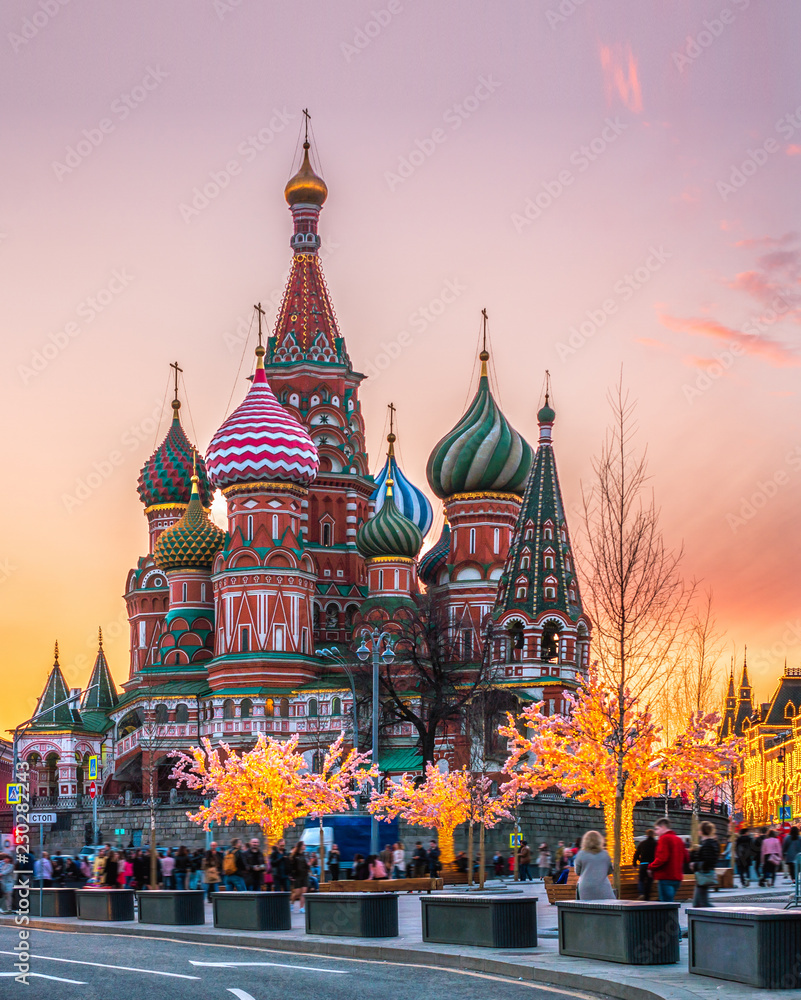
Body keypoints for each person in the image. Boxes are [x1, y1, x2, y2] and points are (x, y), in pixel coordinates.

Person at [648, 818, 689, 902]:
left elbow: (662, 858)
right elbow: (686, 858)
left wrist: (650, 867)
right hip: (677, 877)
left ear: (663, 827)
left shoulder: (664, 839)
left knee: (666, 905)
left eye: (657, 829)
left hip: (666, 876)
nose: (656, 832)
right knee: (670, 902)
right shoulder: (678, 840)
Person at [574, 830, 615, 901]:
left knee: (587, 908)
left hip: (585, 886)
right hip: (603, 886)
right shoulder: (605, 854)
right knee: (609, 906)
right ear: (600, 840)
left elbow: (577, 872)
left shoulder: (581, 854)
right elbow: (610, 870)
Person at [690, 821, 720, 907]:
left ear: (701, 831)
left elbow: (707, 861)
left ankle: (718, 915)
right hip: (704, 874)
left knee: (702, 903)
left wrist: (694, 865)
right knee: (698, 903)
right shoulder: (712, 843)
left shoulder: (707, 844)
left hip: (704, 874)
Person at [633, 829, 657, 900]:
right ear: (653, 835)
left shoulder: (642, 843)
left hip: (643, 864)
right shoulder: (656, 843)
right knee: (649, 881)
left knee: (641, 880)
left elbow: (636, 854)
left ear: (646, 835)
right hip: (652, 865)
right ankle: (647, 897)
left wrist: (634, 863)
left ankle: (641, 893)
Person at [288, 841, 309, 912]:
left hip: (305, 875)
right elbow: (291, 866)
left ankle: (301, 907)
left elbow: (306, 865)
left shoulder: (305, 855)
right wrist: (291, 875)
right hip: (297, 876)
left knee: (304, 892)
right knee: (297, 893)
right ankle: (291, 903)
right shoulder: (294, 856)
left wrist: (309, 865)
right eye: (304, 845)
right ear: (300, 846)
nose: (305, 846)